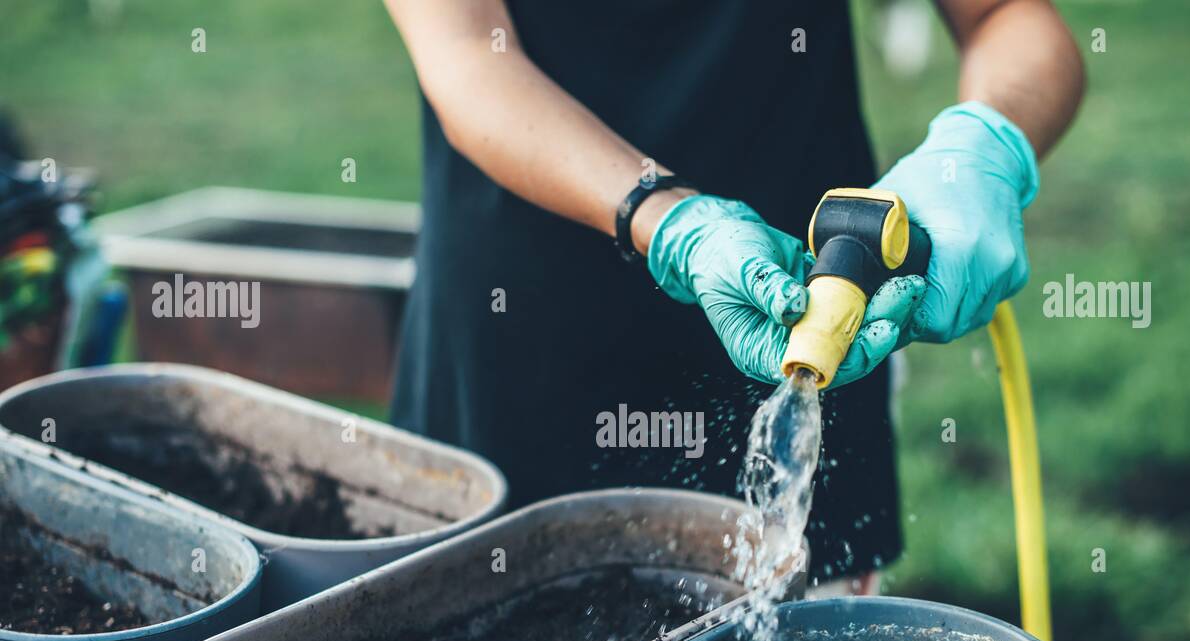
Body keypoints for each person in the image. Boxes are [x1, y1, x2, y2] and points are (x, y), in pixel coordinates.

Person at [383, 0, 1084, 591]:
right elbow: (470, 56)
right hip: (526, 344)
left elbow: (1007, 18)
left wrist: (983, 143)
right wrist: (671, 222)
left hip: (814, 317)